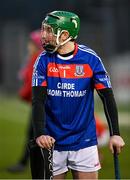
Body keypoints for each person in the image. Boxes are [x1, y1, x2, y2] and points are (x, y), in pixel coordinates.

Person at [31, 11, 125, 179]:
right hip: (52, 142)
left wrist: (115, 134)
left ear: (65, 34)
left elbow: (107, 97)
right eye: (43, 30)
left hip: (84, 142)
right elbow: (38, 101)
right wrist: (40, 134)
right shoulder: (43, 60)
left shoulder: (90, 59)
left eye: (49, 30)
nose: (44, 35)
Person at [7, 30, 42, 172]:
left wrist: (22, 94)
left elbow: (32, 83)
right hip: (40, 103)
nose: (29, 46)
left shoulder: (38, 58)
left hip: (42, 105)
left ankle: (25, 163)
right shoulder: (36, 57)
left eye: (31, 43)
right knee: (33, 134)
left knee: (34, 134)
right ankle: (26, 162)